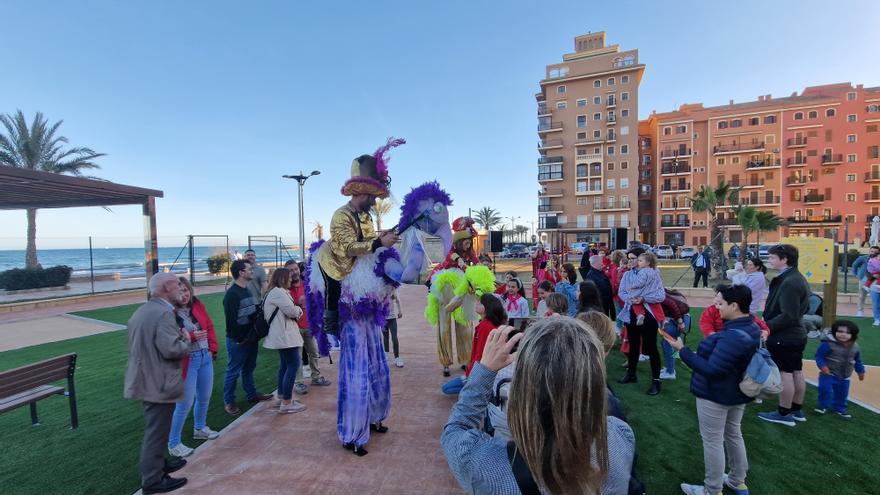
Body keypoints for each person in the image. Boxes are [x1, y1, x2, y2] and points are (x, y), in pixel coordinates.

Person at [441, 320, 635, 495]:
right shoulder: (620, 436)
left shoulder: (483, 465)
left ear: (521, 389)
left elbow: (456, 428)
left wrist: (485, 370)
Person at [306, 138, 404, 456]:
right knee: (356, 367)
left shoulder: (364, 216)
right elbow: (347, 249)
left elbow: (370, 242)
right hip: (345, 295)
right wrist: (378, 244)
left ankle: (373, 417)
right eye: (373, 195)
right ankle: (352, 432)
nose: (376, 201)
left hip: (367, 297)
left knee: (376, 360)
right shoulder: (340, 216)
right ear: (361, 191)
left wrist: (383, 238)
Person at [664, 284, 760, 495]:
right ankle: (737, 480)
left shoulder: (733, 335)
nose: (716, 307)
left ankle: (712, 489)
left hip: (717, 393)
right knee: (733, 433)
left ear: (734, 305)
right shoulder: (750, 325)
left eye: (720, 303)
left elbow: (712, 369)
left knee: (713, 440)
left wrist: (683, 350)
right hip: (737, 392)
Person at [123, 273, 190, 494]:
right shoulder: (163, 314)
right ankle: (152, 479)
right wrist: (186, 340)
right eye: (176, 284)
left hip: (146, 377)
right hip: (158, 380)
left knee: (158, 428)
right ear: (164, 288)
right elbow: (171, 349)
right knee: (157, 431)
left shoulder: (143, 311)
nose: (181, 287)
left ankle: (159, 466)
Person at [757, 244, 812, 427]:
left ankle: (784, 413)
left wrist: (767, 326)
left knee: (786, 373)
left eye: (772, 257)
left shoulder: (790, 282)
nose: (769, 260)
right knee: (796, 371)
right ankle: (796, 409)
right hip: (795, 334)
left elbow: (789, 315)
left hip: (785, 336)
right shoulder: (794, 278)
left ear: (784, 259)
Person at [167, 277, 220, 459]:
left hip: (205, 355)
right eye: (179, 291)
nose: (184, 294)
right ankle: (174, 443)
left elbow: (210, 326)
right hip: (188, 359)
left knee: (204, 396)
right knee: (184, 403)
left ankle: (200, 428)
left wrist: (212, 349)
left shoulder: (197, 305)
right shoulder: (170, 313)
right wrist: (191, 335)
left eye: (186, 290)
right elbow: (169, 338)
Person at [430, 217, 480, 376]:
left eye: (470, 240)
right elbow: (458, 261)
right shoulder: (452, 251)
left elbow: (477, 264)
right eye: (467, 240)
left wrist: (482, 273)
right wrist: (465, 266)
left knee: (465, 324)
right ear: (459, 241)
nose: (469, 243)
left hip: (462, 287)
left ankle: (465, 360)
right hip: (446, 285)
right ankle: (446, 362)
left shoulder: (470, 252)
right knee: (444, 325)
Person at [222, 260, 273, 416]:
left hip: (251, 338)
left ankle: (251, 394)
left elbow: (250, 314)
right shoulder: (232, 294)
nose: (252, 271)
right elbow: (231, 322)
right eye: (249, 269)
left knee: (249, 369)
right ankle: (229, 402)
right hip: (239, 341)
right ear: (241, 273)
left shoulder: (246, 290)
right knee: (233, 371)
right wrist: (240, 339)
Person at [618, 249, 667, 395]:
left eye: (634, 258)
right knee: (633, 345)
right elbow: (622, 292)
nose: (631, 261)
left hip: (649, 316)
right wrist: (633, 300)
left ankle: (656, 381)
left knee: (651, 347)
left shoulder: (653, 274)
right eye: (629, 259)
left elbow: (660, 295)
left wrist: (643, 299)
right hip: (632, 313)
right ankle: (631, 374)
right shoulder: (627, 274)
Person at [441, 293, 507, 395]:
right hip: (478, 370)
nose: (476, 304)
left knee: (447, 389)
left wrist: (471, 376)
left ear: (487, 308)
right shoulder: (486, 324)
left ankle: (475, 389)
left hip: (478, 373)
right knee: (446, 388)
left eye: (480, 303)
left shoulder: (485, 327)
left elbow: (480, 354)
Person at [263, 268, 306, 414]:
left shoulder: (275, 292)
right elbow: (292, 311)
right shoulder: (278, 292)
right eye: (288, 277)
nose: (290, 280)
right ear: (282, 278)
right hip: (285, 336)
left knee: (284, 365)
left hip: (281, 335)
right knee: (293, 364)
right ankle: (287, 403)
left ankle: (282, 397)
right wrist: (299, 309)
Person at [286, 260, 331, 395]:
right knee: (297, 356)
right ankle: (299, 382)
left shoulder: (307, 284)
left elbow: (315, 301)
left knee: (313, 352)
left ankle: (316, 377)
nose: (294, 272)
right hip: (294, 327)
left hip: (309, 324)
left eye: (295, 269)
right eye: (290, 270)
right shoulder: (285, 287)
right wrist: (297, 303)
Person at [814, 320, 866, 418]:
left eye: (847, 333)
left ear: (853, 335)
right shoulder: (828, 344)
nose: (843, 334)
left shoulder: (855, 347)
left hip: (845, 376)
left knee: (842, 394)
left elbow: (858, 360)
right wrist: (823, 366)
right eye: (840, 331)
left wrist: (861, 371)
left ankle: (840, 408)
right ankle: (822, 406)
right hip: (828, 374)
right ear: (834, 332)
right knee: (825, 390)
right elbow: (819, 356)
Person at [658, 289, 690, 381]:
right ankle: (670, 367)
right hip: (679, 318)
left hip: (679, 320)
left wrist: (680, 322)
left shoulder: (657, 294)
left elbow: (672, 305)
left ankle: (671, 372)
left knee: (667, 343)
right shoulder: (660, 291)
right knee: (668, 342)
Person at [851, 246, 878, 317]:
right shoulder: (863, 258)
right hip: (863, 280)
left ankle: (876, 313)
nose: (873, 253)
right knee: (861, 296)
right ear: (869, 251)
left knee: (875, 297)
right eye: (872, 251)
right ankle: (860, 311)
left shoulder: (878, 260)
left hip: (874, 281)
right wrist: (856, 274)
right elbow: (854, 265)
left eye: (875, 252)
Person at [586, 254, 616, 318]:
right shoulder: (591, 275)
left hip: (605, 304)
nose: (603, 264)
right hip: (598, 306)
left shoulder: (600, 272)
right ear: (596, 263)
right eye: (601, 262)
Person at [384, 287, 404, 368]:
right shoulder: (379, 289)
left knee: (394, 338)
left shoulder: (392, 288)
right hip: (383, 318)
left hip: (392, 318)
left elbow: (397, 300)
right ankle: (386, 354)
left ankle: (397, 357)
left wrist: (400, 311)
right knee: (385, 337)